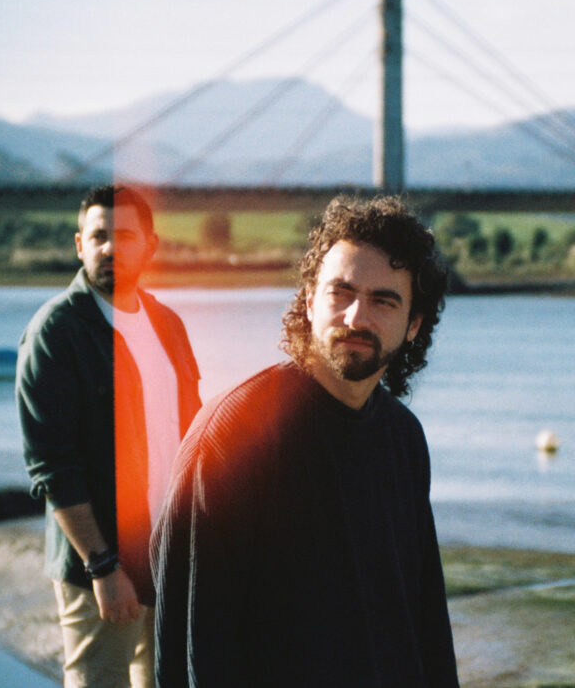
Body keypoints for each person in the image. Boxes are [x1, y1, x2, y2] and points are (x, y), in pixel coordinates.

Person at [151, 195, 459, 687]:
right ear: (310, 300)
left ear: (413, 325)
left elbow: (425, 618)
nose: (356, 317)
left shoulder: (404, 438)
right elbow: (191, 643)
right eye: (341, 293)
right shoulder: (232, 436)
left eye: (384, 301)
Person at [17, 185, 202, 688]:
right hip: (102, 564)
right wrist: (101, 566)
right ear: (80, 245)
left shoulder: (168, 325)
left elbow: (193, 437)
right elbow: (53, 466)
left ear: (150, 246)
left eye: (124, 236)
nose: (110, 247)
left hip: (168, 554)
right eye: (98, 236)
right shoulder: (56, 331)